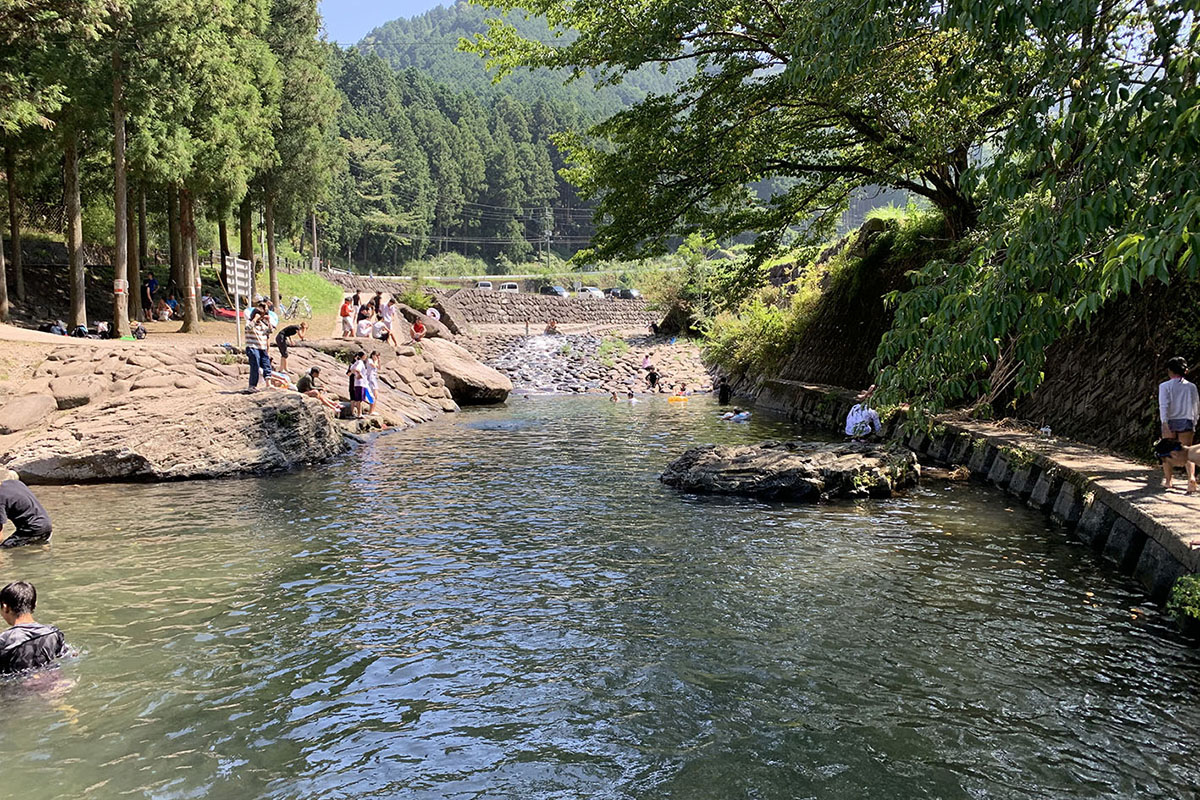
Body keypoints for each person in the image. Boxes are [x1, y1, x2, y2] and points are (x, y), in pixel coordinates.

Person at [0, 582, 67, 675]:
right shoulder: (53, 633)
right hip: (53, 682)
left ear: (5, 607)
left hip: (18, 687)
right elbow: (69, 657)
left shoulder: (4, 641)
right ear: (35, 604)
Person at [1158, 356, 1199, 492]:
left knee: (1165, 452)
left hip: (1170, 420)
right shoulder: (1191, 387)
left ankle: (1169, 480)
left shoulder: (1164, 386)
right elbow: (1196, 405)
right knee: (1187, 451)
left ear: (1169, 371)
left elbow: (1164, 405)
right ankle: (1191, 478)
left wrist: (1164, 423)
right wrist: (1195, 420)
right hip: (1187, 419)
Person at [0, 470, 52, 548]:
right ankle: (41, 547)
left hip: (33, 531)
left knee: (3, 549)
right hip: (47, 526)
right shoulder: (15, 483)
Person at [245, 303, 274, 391]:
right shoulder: (250, 323)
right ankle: (252, 386)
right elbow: (248, 327)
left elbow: (270, 331)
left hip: (262, 348)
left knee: (267, 365)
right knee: (255, 366)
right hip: (252, 347)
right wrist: (255, 318)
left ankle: (268, 384)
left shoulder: (262, 325)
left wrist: (268, 321)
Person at [346, 351, 366, 419]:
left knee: (354, 399)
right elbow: (356, 370)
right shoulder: (360, 362)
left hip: (354, 383)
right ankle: (359, 414)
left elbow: (351, 370)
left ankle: (354, 413)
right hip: (358, 383)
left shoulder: (354, 363)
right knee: (358, 400)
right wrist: (359, 375)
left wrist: (354, 373)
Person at [363, 351, 381, 415]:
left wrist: (379, 361)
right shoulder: (369, 360)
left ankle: (372, 410)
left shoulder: (374, 361)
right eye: (376, 355)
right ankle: (371, 411)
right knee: (372, 396)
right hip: (370, 379)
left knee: (375, 396)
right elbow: (373, 366)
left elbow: (379, 367)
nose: (376, 357)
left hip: (374, 378)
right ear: (373, 355)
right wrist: (376, 361)